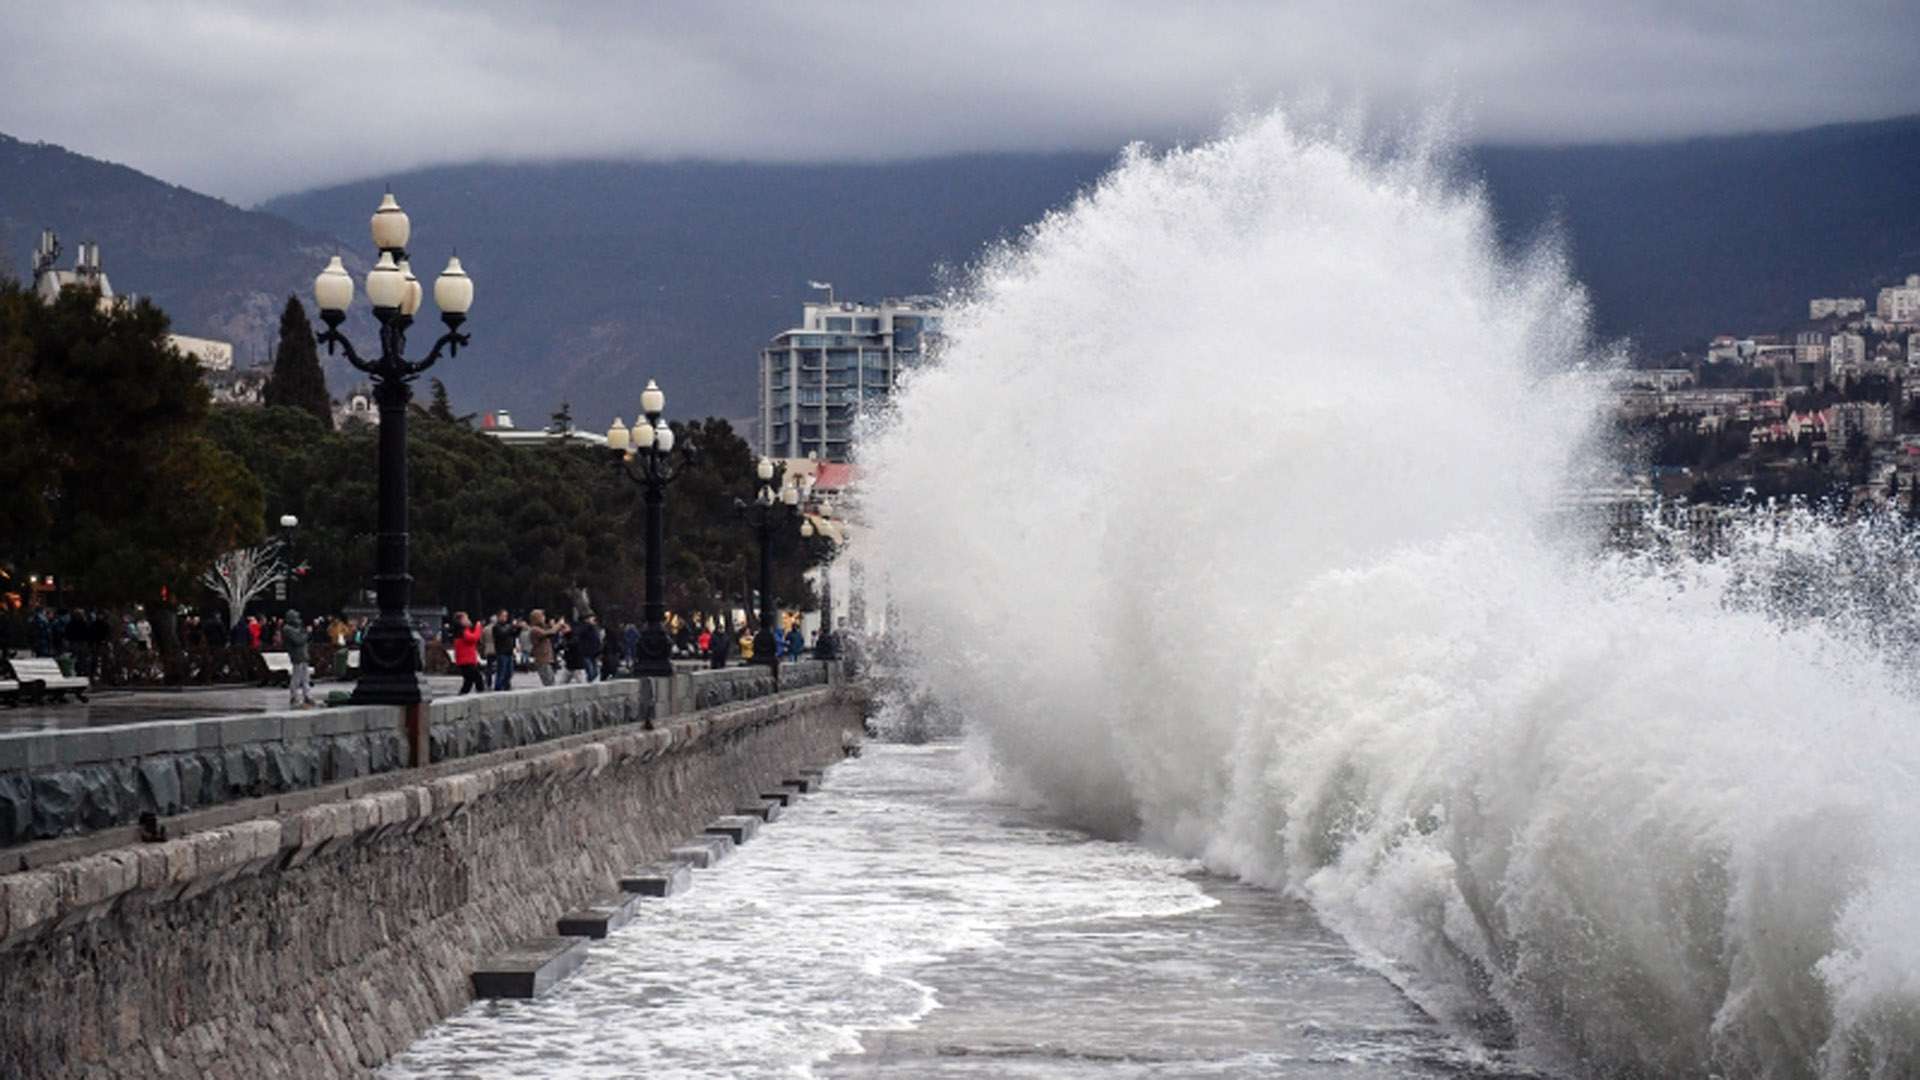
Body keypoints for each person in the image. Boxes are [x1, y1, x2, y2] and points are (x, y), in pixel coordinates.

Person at [280, 609, 315, 707]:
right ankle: (294, 696)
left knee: (305, 678)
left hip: (303, 655)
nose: (298, 620)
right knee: (296, 677)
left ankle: (307, 696)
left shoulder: (297, 628)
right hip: (297, 656)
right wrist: (307, 633)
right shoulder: (287, 629)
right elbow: (298, 640)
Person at [450, 611, 486, 695]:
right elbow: (473, 638)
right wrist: (478, 627)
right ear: (460, 621)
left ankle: (462, 695)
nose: (468, 620)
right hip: (466, 661)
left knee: (468, 681)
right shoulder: (462, 631)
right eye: (466, 618)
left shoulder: (461, 630)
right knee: (478, 678)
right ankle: (481, 694)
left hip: (466, 660)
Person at [488, 610, 521, 690]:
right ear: (498, 617)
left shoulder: (507, 626)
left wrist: (518, 628)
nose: (505, 618)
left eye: (506, 616)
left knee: (509, 672)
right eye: (503, 616)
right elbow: (502, 634)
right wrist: (511, 627)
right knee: (501, 671)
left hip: (509, 652)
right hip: (501, 652)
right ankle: (498, 686)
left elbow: (514, 634)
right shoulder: (496, 627)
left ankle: (506, 685)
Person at [526, 610, 559, 686]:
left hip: (546, 659)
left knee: (551, 680)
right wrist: (558, 625)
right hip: (542, 659)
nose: (544, 618)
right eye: (542, 616)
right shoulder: (535, 629)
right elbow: (550, 633)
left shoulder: (541, 627)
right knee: (549, 682)